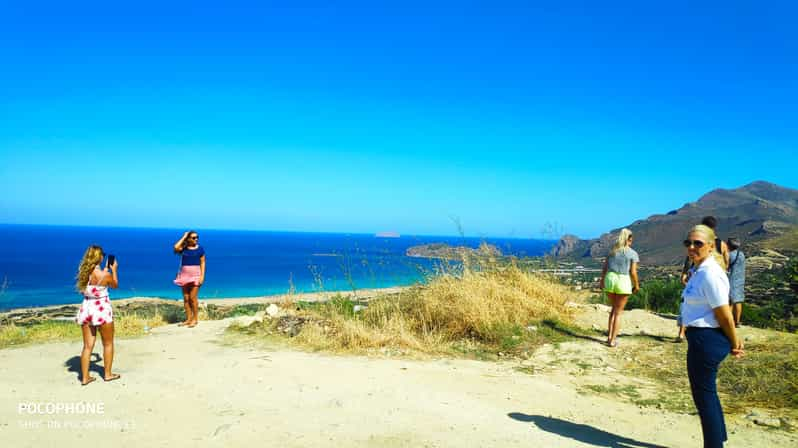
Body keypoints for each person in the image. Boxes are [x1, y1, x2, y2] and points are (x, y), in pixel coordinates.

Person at [681, 224, 744, 447]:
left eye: (697, 243)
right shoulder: (699, 270)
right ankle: (719, 438)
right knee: (707, 395)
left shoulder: (710, 274)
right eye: (688, 243)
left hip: (706, 339)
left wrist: (735, 341)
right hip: (700, 338)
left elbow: (725, 315)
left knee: (704, 398)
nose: (691, 247)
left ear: (710, 245)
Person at [677, 216, 729, 341]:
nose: (692, 246)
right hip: (713, 273)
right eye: (688, 244)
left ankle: (681, 332)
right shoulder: (721, 243)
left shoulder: (699, 239)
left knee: (689, 302)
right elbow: (726, 260)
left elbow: (689, 258)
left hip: (699, 273)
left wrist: (685, 272)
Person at [74, 245, 121, 385]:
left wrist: (105, 269)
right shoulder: (105, 275)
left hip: (87, 309)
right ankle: (107, 374)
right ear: (99, 257)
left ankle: (85, 377)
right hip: (102, 311)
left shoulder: (84, 274)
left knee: (87, 346)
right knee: (108, 343)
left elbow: (94, 284)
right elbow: (114, 284)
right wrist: (114, 270)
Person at [598, 228, 640, 347]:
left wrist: (601, 281)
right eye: (631, 240)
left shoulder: (612, 251)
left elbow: (604, 268)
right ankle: (613, 340)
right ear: (628, 239)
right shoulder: (632, 253)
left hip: (610, 279)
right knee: (618, 312)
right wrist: (636, 285)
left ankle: (609, 337)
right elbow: (633, 272)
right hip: (622, 280)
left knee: (613, 309)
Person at [173, 230, 205, 328]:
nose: (196, 239)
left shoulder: (200, 249)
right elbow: (175, 247)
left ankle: (195, 319)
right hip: (184, 275)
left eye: (197, 237)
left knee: (192, 298)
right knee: (186, 299)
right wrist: (184, 236)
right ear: (189, 239)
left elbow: (203, 262)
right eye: (193, 237)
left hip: (196, 275)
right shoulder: (184, 249)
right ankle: (188, 319)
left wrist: (202, 276)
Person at [726, 237, 746, 328]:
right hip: (740, 279)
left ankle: (729, 322)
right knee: (738, 301)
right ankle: (737, 322)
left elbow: (725, 267)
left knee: (729, 301)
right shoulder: (741, 254)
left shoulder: (729, 255)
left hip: (730, 279)